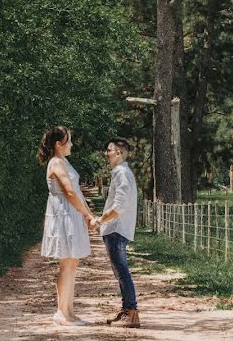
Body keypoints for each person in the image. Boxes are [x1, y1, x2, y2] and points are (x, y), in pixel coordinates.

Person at [38, 126, 95, 326]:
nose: (71, 144)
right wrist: (86, 214)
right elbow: (69, 192)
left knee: (73, 262)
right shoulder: (55, 163)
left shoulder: (65, 161)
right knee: (66, 263)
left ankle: (69, 311)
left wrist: (88, 215)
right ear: (58, 144)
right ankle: (61, 313)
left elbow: (77, 191)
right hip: (63, 214)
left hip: (72, 213)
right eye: (68, 141)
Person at [91, 137, 140, 328]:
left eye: (109, 150)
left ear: (118, 153)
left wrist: (100, 220)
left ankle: (132, 313)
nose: (106, 153)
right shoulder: (120, 173)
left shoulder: (121, 173)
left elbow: (118, 207)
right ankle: (128, 309)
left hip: (116, 229)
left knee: (122, 272)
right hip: (115, 229)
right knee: (120, 272)